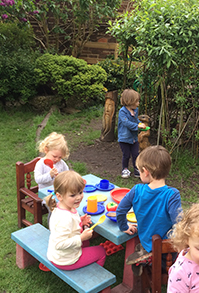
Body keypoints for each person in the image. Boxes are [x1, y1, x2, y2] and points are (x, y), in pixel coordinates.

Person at [116, 145, 182, 273]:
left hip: (146, 240)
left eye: (139, 170)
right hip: (164, 246)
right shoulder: (172, 195)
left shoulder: (137, 190)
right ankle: (152, 261)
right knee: (174, 255)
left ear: (145, 172)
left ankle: (147, 257)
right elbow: (179, 223)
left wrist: (124, 227)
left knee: (155, 248)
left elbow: (120, 211)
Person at [45, 170, 106, 270]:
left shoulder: (62, 207)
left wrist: (80, 221)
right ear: (59, 196)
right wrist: (81, 238)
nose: (78, 197)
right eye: (73, 195)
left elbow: (69, 225)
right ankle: (91, 277)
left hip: (58, 254)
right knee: (101, 251)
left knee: (86, 243)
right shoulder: (65, 218)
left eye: (80, 192)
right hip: (65, 260)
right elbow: (59, 244)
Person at [117, 89, 146, 178]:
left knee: (135, 154)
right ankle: (124, 169)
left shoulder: (135, 110)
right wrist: (137, 126)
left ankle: (137, 169)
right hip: (124, 138)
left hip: (134, 138)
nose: (138, 103)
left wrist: (140, 123)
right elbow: (126, 123)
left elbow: (135, 120)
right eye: (137, 101)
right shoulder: (122, 112)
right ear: (130, 102)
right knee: (126, 155)